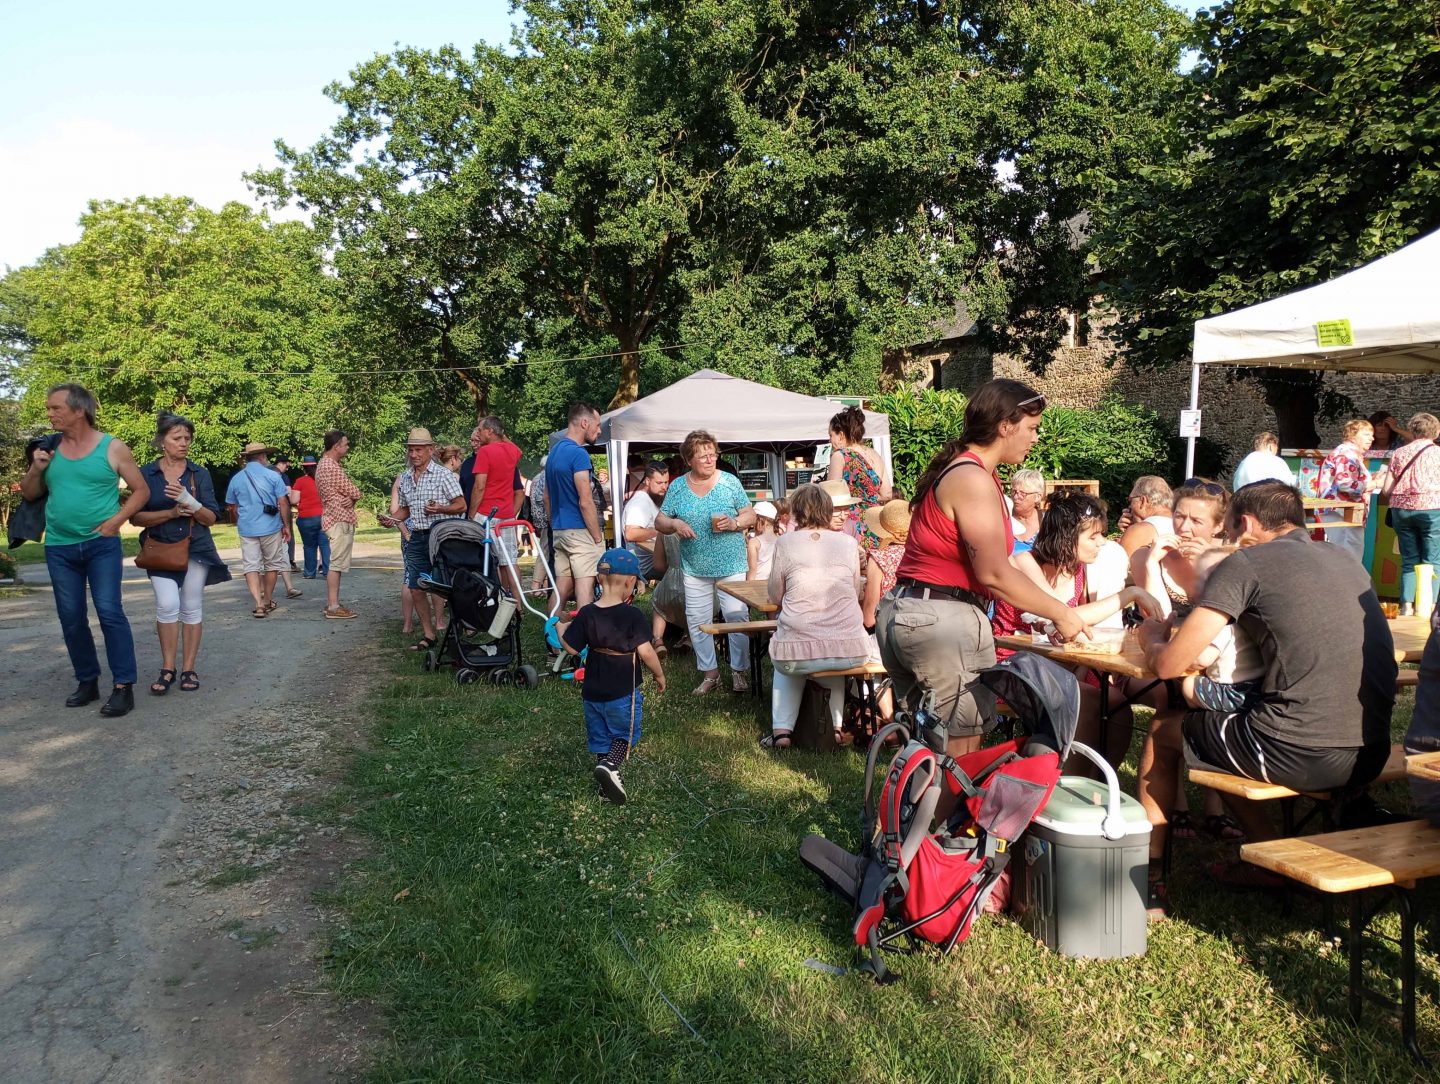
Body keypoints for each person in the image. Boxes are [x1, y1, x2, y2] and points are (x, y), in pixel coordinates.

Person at [1136, 481, 1396, 911]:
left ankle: (1149, 880)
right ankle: (1270, 853)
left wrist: (1150, 640)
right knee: (1222, 734)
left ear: (1246, 523)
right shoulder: (1344, 558)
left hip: (1302, 752)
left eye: (1230, 529)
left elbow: (1170, 664)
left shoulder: (1247, 562)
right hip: (1372, 750)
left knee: (1165, 731)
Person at [875, 379, 1086, 758]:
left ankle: (910, 799)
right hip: (942, 622)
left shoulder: (965, 471)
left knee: (926, 748)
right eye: (1032, 427)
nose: (1036, 437)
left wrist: (1043, 612)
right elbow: (994, 573)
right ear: (1005, 426)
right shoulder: (972, 478)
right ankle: (941, 802)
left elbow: (1000, 568)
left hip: (912, 612)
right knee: (960, 753)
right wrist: (1061, 613)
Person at [990, 492, 1161, 765]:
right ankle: (1065, 777)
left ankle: (1098, 779)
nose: (1102, 542)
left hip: (1059, 664)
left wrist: (1080, 671)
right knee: (1092, 704)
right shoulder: (1024, 562)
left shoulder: (1078, 570)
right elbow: (1062, 619)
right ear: (1066, 536)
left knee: (1115, 706)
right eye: (1093, 536)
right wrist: (1128, 595)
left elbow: (1075, 631)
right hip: (1015, 666)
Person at [20, 383, 149, 717]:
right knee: (71, 617)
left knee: (109, 611)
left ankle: (123, 686)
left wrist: (116, 521)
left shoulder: (112, 447)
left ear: (79, 410)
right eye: (49, 408)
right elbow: (30, 493)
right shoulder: (48, 448)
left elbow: (141, 491)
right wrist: (36, 468)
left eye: (56, 408)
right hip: (59, 547)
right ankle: (87, 681)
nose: (49, 414)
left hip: (101, 545)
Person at [760, 484, 871, 749]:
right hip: (850, 648)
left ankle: (781, 732)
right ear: (827, 510)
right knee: (831, 650)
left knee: (789, 659)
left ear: (796, 511)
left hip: (795, 650)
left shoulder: (785, 543)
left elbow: (775, 596)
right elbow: (855, 590)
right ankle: (833, 728)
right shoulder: (849, 543)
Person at [130, 413, 231, 694]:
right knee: (166, 605)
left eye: (187, 438)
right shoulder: (146, 474)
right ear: (162, 441)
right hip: (160, 548)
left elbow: (211, 518)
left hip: (195, 547)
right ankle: (167, 668)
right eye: (177, 438)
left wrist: (189, 501)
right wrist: (172, 512)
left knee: (191, 606)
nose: (184, 443)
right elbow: (135, 517)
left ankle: (188, 669)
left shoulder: (199, 474)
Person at [557, 548, 666, 804]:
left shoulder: (586, 613)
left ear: (598, 579)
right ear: (630, 582)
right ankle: (610, 765)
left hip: (592, 692)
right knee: (624, 736)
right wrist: (659, 674)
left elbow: (571, 648)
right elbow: (646, 651)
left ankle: (606, 785)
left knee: (600, 737)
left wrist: (561, 628)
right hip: (622, 691)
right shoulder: (632, 615)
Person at [654, 429, 757, 694]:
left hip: (731, 563)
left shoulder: (729, 482)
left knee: (736, 617)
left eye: (713, 454)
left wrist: (735, 523)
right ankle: (710, 674)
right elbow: (660, 520)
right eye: (703, 456)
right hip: (694, 566)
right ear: (689, 460)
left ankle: (739, 671)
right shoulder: (678, 487)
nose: (711, 460)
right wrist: (675, 524)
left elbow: (750, 515)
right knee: (698, 620)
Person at [388, 427, 466, 651]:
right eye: (411, 450)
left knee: (444, 586)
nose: (414, 454)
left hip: (440, 538)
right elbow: (406, 509)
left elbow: (461, 505)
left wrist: (440, 508)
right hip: (416, 537)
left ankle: (456, 630)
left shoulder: (443, 475)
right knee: (415, 587)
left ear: (431, 450)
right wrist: (391, 519)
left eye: (419, 450)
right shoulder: (405, 477)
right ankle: (429, 634)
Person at [546, 403, 606, 612]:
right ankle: (584, 632)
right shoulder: (579, 454)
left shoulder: (554, 452)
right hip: (580, 531)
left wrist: (555, 524)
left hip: (560, 530)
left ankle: (552, 630)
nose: (599, 430)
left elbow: (546, 497)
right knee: (585, 588)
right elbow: (585, 500)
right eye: (597, 425)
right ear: (584, 423)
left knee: (562, 587)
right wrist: (597, 538)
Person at [224, 441, 294, 619]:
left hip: (247, 528)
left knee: (251, 566)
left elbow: (232, 506)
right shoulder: (273, 476)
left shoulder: (237, 478)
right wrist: (286, 526)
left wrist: (241, 520)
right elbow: (283, 502)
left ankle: (258, 604)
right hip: (270, 526)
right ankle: (267, 599)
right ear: (262, 456)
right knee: (272, 565)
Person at [1382, 412, 1440, 615]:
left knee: (1409, 560)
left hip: (1401, 510)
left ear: (1412, 431)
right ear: (1437, 432)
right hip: (1432, 509)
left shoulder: (1399, 453)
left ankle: (1406, 606)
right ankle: (1429, 607)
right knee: (1433, 560)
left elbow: (1386, 490)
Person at [467, 416, 525, 599]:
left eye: (480, 429)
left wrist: (471, 514)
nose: (478, 433)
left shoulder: (485, 452)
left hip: (486, 513)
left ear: (490, 431)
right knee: (510, 561)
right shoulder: (512, 451)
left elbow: (479, 486)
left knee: (488, 561)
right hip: (506, 513)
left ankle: (495, 600)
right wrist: (501, 434)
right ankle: (517, 603)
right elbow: (518, 450)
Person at [1318, 418, 1379, 563]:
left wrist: (1370, 479)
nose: (1372, 438)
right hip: (1344, 510)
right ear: (1352, 436)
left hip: (1344, 509)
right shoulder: (1346, 454)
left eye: (1371, 435)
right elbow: (1345, 484)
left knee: (1345, 553)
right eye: (1366, 434)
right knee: (1349, 555)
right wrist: (1375, 483)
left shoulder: (1348, 453)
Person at [316, 429, 363, 619]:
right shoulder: (331, 467)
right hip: (339, 519)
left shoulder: (323, 464)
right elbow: (355, 491)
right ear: (336, 446)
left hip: (332, 517)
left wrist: (351, 499)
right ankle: (333, 606)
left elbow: (348, 494)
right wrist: (353, 497)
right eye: (345, 444)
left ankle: (332, 603)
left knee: (336, 563)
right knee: (336, 564)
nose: (348, 447)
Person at [827, 404, 891, 510]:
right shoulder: (875, 455)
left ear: (841, 435)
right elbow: (887, 494)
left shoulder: (840, 456)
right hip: (874, 516)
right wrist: (868, 499)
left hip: (849, 517)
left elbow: (832, 495)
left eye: (831, 435)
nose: (829, 440)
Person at [622, 460, 671, 580]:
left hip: (653, 560)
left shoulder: (651, 498)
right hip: (645, 567)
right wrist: (663, 529)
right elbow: (631, 533)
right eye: (659, 483)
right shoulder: (640, 502)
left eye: (666, 482)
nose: (664, 487)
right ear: (648, 481)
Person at [270, 454, 303, 600]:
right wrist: (286, 525)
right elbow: (285, 500)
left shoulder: (276, 477)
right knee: (271, 556)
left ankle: (289, 588)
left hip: (274, 521)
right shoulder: (277, 479)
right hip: (270, 523)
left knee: (282, 553)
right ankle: (265, 592)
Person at [292, 454, 330, 580]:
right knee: (325, 545)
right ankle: (328, 572)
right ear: (316, 466)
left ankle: (309, 573)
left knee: (309, 546)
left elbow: (294, 500)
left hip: (306, 518)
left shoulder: (300, 481)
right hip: (323, 517)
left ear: (304, 468)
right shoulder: (324, 480)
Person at [1116, 476, 1174, 557]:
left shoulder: (1138, 531)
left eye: (1130, 500)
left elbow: (1119, 563)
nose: (1129, 507)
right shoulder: (1182, 523)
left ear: (1143, 501)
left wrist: (1130, 532)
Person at [1230, 432, 1294, 491]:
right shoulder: (1276, 461)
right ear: (1271, 446)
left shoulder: (1243, 463)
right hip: (1268, 498)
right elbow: (1291, 484)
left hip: (1243, 498)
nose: (1276, 453)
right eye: (1276, 449)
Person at [1007, 468, 1045, 551]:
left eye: (1022, 493)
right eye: (1014, 491)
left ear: (1037, 497)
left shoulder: (1046, 521)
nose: (1016, 497)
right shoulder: (1004, 519)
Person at [746, 501, 779, 581]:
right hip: (774, 584)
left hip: (758, 584)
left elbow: (752, 573)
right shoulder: (780, 540)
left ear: (760, 520)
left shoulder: (754, 542)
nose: (752, 525)